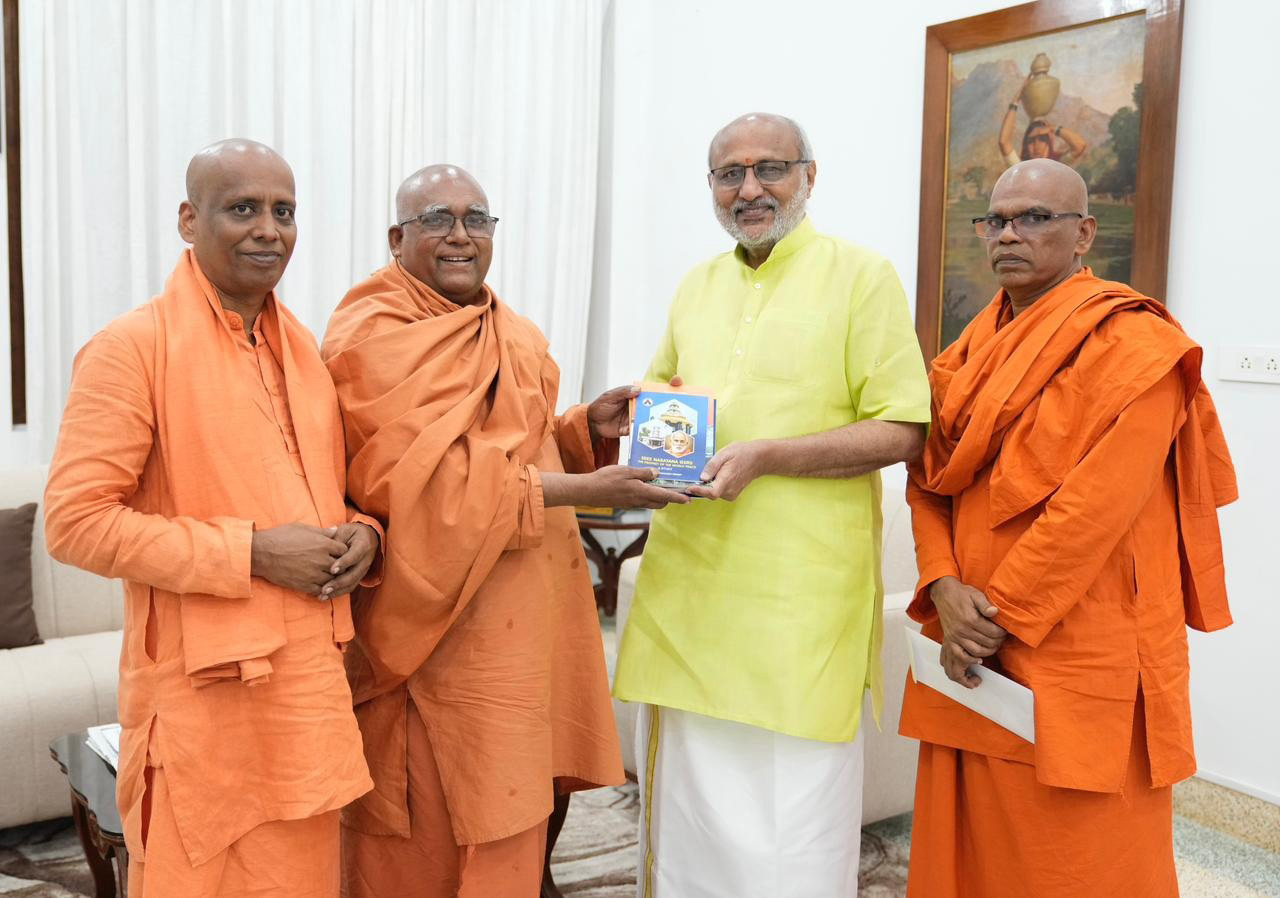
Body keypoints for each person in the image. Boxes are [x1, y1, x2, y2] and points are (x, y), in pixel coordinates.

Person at [322, 163, 681, 897]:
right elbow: (423, 486)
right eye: (437, 219)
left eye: (476, 220)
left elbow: (520, 444)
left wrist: (584, 430)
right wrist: (584, 490)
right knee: (430, 816)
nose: (461, 235)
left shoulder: (511, 330)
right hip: (440, 621)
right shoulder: (371, 333)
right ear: (396, 237)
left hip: (533, 610)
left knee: (523, 800)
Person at [44, 139, 382, 897]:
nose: (269, 229)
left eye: (284, 212)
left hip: (309, 692)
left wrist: (365, 533)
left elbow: (321, 496)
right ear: (189, 220)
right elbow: (76, 522)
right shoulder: (132, 348)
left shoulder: (304, 351)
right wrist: (252, 553)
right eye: (243, 208)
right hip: (205, 704)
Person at [612, 112, 931, 897]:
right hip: (690, 591)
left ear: (809, 177)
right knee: (688, 814)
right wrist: (636, 418)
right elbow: (669, 401)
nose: (749, 189)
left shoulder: (862, 276)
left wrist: (767, 457)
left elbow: (904, 429)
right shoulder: (697, 285)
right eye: (730, 174)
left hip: (798, 603)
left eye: (770, 169)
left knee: (792, 819)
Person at [901, 158, 1237, 897]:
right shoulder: (967, 350)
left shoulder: (1138, 347)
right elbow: (927, 478)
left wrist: (989, 621)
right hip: (968, 626)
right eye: (996, 220)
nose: (1008, 234)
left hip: (1076, 636)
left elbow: (1091, 513)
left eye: (1033, 218)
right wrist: (943, 584)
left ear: (1084, 234)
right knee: (971, 838)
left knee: (1078, 853)